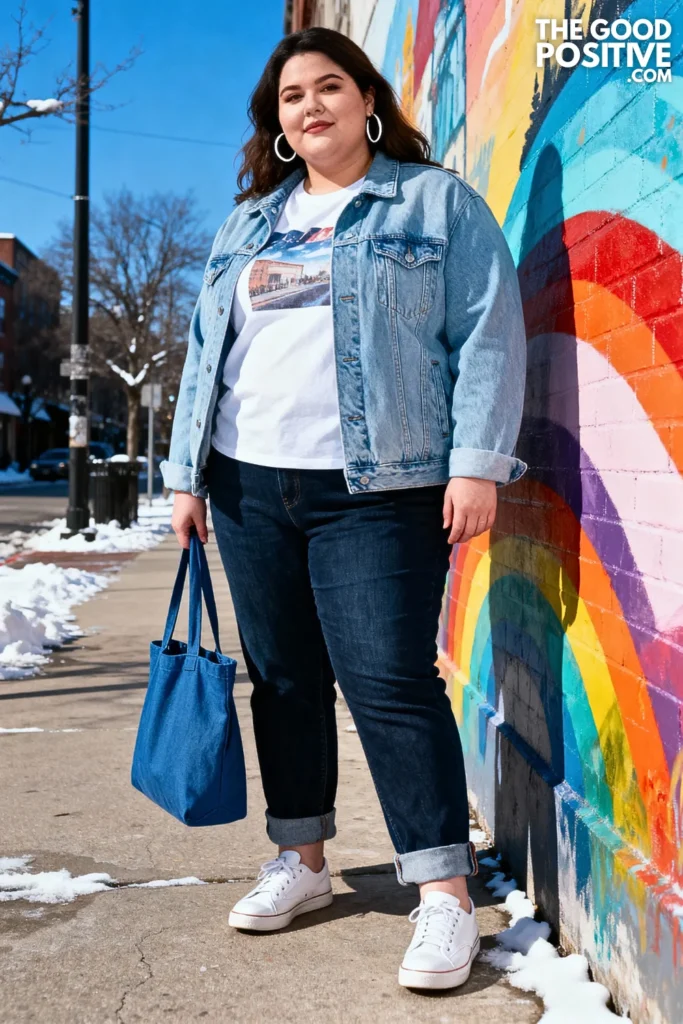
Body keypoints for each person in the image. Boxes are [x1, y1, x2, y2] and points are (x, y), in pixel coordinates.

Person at [162, 26, 527, 992]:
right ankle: (304, 860)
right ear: (276, 123)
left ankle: (443, 895)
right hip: (247, 482)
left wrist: (476, 462)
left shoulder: (433, 200)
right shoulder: (248, 222)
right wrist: (185, 477)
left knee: (389, 682)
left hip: (380, 484)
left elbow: (486, 331)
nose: (311, 105)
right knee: (281, 680)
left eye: (330, 87)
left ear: (369, 101)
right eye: (292, 96)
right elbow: (208, 353)